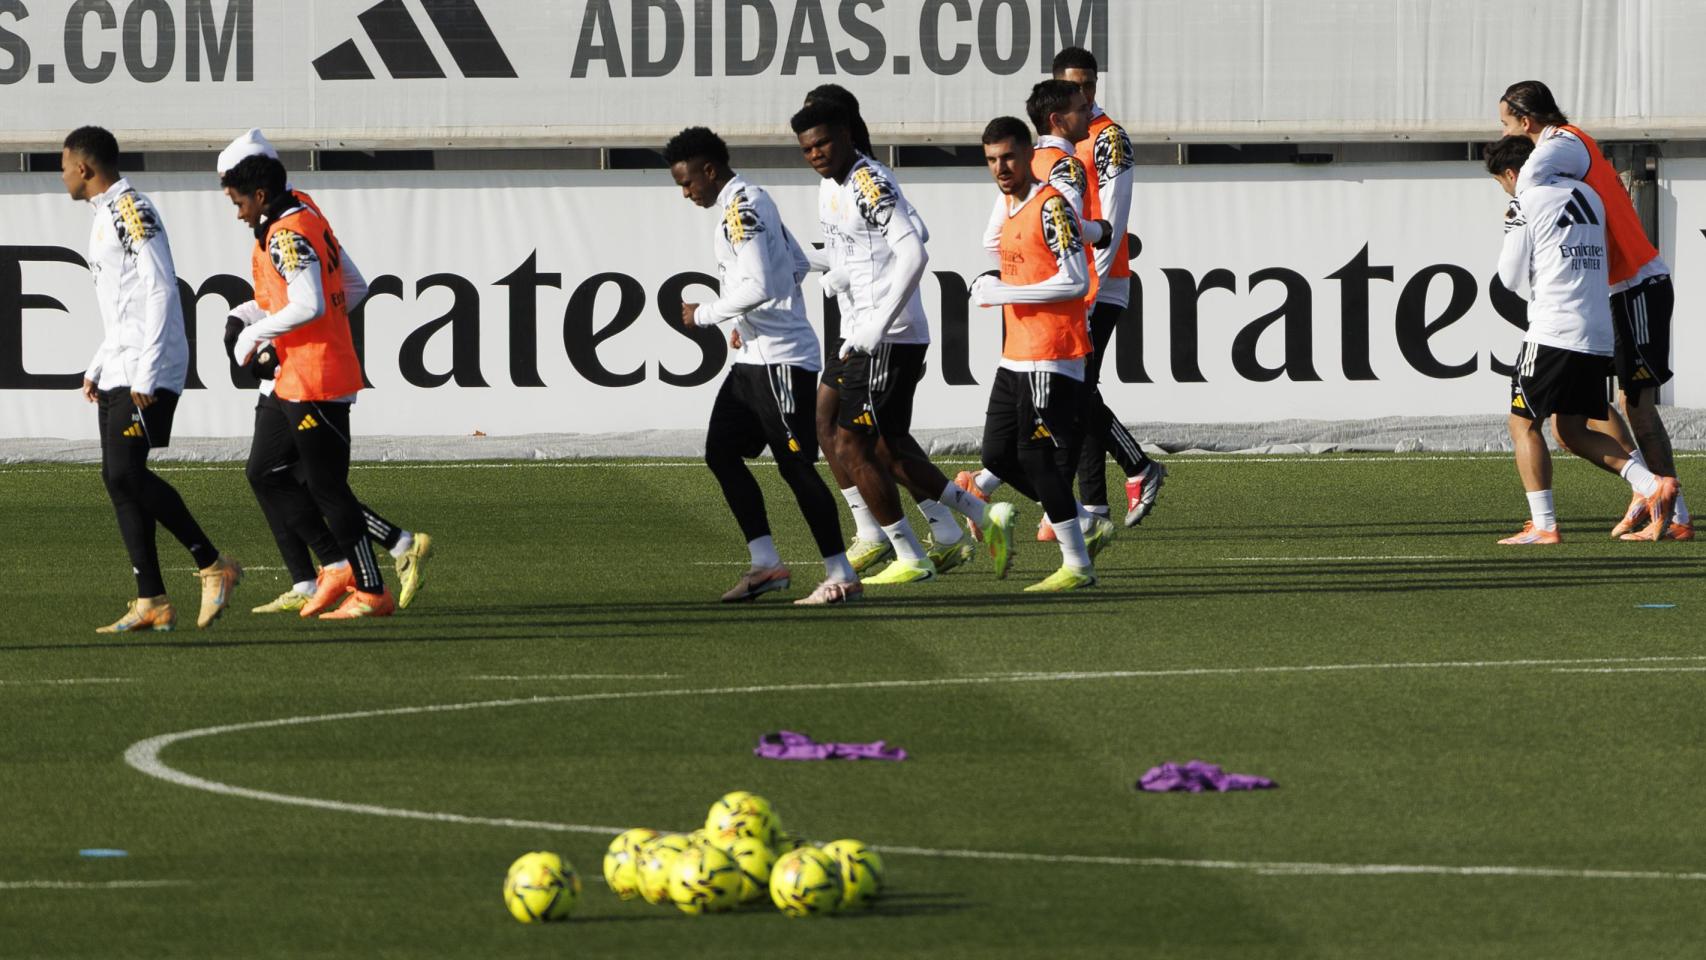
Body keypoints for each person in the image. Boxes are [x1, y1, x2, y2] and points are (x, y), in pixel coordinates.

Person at [212, 130, 434, 615]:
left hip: (314, 375)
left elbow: (313, 301)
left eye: (237, 201)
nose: (237, 212)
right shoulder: (305, 211)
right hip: (300, 372)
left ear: (260, 193)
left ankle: (370, 588)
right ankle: (351, 564)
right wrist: (274, 319)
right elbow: (350, 288)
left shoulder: (285, 233)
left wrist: (256, 335)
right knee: (270, 473)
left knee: (326, 489)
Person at [664, 125, 862, 605]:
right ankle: (766, 564)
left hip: (780, 362)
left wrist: (708, 315)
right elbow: (794, 263)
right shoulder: (750, 200)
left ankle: (841, 573)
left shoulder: (742, 209)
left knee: (796, 468)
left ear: (710, 171)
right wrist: (746, 321)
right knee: (721, 452)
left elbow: (762, 285)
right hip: (754, 359)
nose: (686, 192)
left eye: (687, 182)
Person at [797, 88, 988, 576]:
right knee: (838, 428)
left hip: (884, 330)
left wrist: (874, 302)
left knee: (867, 444)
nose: (815, 149)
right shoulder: (832, 183)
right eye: (807, 142)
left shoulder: (869, 178)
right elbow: (853, 247)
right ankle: (907, 529)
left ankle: (931, 533)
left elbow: (915, 239)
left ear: (844, 130)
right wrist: (823, 266)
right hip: (856, 327)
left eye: (823, 136)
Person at [61, 127, 243, 633]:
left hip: (148, 366)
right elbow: (125, 304)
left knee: (126, 474)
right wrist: (101, 361)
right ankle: (152, 600)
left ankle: (213, 565)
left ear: (83, 168)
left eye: (63, 166)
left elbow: (163, 287)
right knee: (117, 479)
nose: (61, 176)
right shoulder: (103, 217)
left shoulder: (131, 211)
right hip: (122, 363)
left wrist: (146, 367)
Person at [1498, 80, 1689, 541]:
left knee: (1637, 405)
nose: (1504, 135)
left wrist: (1520, 208)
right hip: (1616, 290)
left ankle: (1676, 515)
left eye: (1506, 125)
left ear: (1527, 122)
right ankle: (1649, 491)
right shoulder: (1572, 156)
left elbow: (1524, 182)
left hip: (1639, 281)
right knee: (1599, 410)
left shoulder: (1563, 141)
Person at [962, 80, 1119, 557]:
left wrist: (1006, 290)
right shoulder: (1013, 205)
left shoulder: (1051, 200)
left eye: (1007, 157)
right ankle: (1075, 518)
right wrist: (993, 284)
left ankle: (1076, 554)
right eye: (991, 160)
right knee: (996, 455)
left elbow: (1074, 279)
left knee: (1037, 454)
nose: (999, 168)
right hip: (1018, 350)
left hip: (1053, 348)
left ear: (1030, 152)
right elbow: (1000, 247)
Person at [1054, 46, 1167, 527]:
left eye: (1089, 85)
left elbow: (1113, 222)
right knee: (1081, 391)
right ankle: (1095, 505)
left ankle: (1138, 467)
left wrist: (1089, 287)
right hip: (1075, 283)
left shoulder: (1108, 139)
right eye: (1074, 86)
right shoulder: (1060, 139)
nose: (1084, 93)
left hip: (1103, 282)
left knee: (1077, 392)